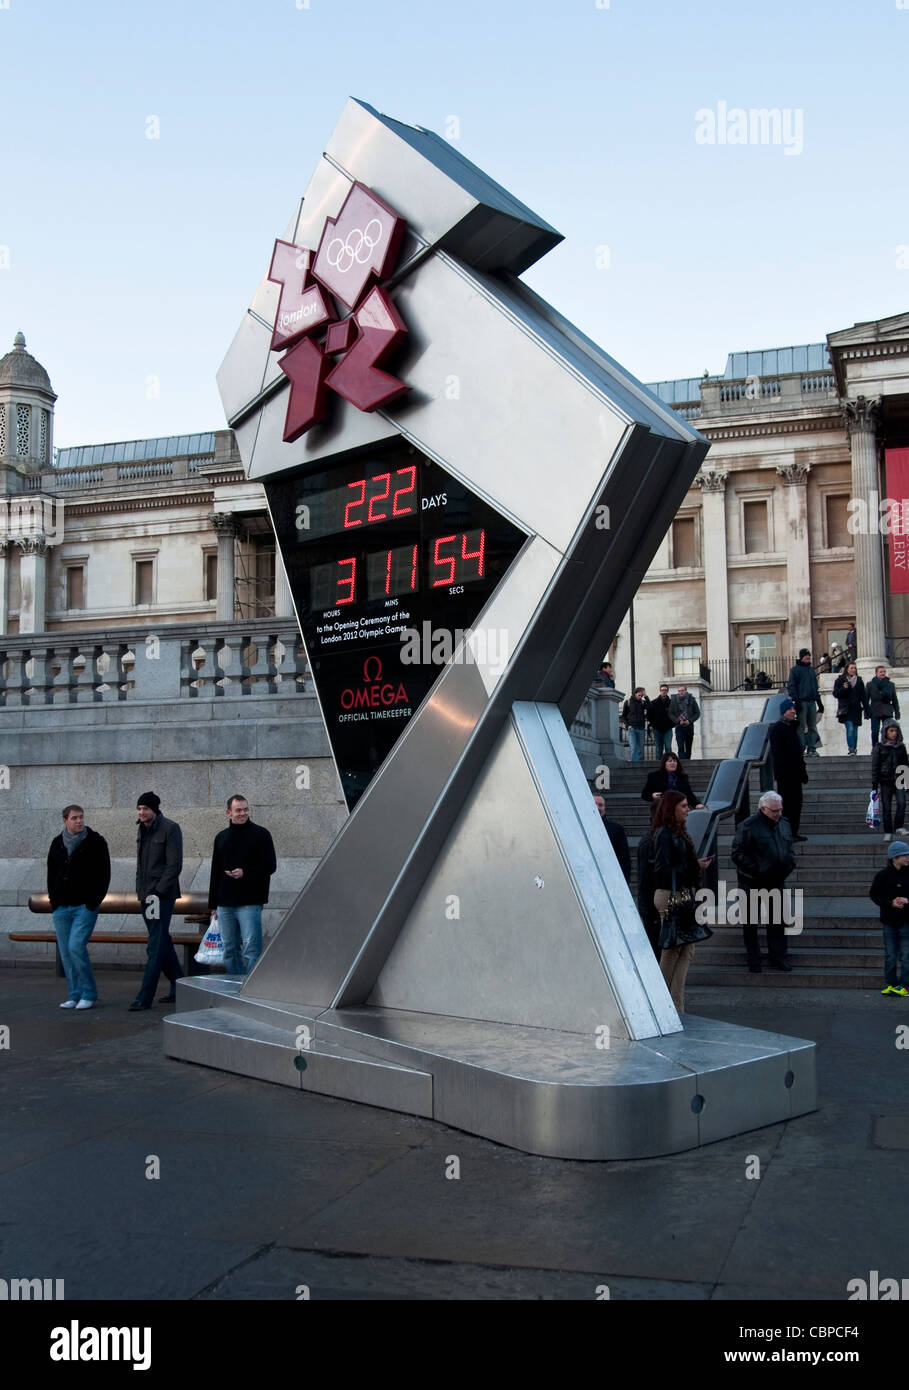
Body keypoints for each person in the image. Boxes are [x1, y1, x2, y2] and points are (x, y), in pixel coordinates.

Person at [651, 790, 712, 1011]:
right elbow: (663, 869)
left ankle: (676, 1004)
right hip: (671, 894)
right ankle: (662, 1002)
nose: (688, 809)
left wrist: (695, 865)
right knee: (673, 949)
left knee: (685, 950)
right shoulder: (665, 835)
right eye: (684, 806)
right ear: (672, 808)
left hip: (680, 893)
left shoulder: (676, 832)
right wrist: (695, 866)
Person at [47, 804, 111, 1011]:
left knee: (76, 946)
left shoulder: (95, 842)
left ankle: (89, 993)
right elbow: (51, 873)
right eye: (74, 818)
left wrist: (94, 900)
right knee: (66, 952)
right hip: (61, 906)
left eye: (81, 817)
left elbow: (104, 873)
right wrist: (54, 901)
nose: (79, 821)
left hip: (85, 905)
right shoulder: (57, 843)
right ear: (65, 820)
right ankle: (74, 994)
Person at [208, 795, 278, 975]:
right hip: (225, 902)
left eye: (245, 809)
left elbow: (270, 865)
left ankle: (249, 988)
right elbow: (215, 871)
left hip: (250, 901)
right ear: (228, 812)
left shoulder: (261, 834)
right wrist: (213, 904)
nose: (243, 813)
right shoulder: (221, 837)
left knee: (251, 948)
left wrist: (245, 872)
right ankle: (234, 986)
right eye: (238, 810)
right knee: (229, 949)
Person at [731, 791, 797, 973]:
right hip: (752, 881)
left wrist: (790, 863)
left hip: (776, 880)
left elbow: (788, 847)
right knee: (751, 923)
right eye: (774, 811)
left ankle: (778, 956)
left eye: (780, 810)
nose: (779, 814)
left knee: (778, 921)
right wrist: (757, 869)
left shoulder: (784, 824)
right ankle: (754, 959)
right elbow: (737, 854)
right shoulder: (748, 826)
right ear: (763, 809)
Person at [130, 792, 184, 1012]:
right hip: (145, 895)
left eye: (146, 809)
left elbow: (174, 865)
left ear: (155, 809)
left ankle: (144, 997)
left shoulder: (170, 828)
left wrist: (158, 892)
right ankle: (181, 986)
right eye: (139, 808)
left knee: (155, 945)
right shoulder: (142, 828)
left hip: (160, 897)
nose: (142, 813)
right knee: (161, 941)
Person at [868, 840, 909, 996]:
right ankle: (891, 983)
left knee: (906, 955)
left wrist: (907, 900)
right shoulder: (883, 875)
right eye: (903, 855)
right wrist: (890, 903)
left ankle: (905, 985)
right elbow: (874, 895)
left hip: (906, 921)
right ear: (894, 858)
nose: (907, 857)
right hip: (889, 921)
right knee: (890, 955)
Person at [769, 697, 809, 841]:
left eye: (793, 709)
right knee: (788, 804)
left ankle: (793, 831)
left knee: (796, 803)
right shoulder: (778, 729)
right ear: (783, 712)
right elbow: (779, 755)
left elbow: (798, 754)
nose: (793, 711)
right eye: (790, 709)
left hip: (795, 774)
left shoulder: (792, 728)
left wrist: (802, 772)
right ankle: (787, 833)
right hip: (786, 775)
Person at [871, 720, 908, 843]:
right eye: (891, 731)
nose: (894, 733)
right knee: (886, 807)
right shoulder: (879, 747)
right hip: (885, 780)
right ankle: (888, 831)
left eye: (896, 731)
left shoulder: (901, 747)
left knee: (902, 803)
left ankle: (899, 826)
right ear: (886, 732)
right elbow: (875, 766)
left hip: (899, 779)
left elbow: (905, 765)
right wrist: (874, 784)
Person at [787, 648, 824, 756]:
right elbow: (792, 686)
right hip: (802, 702)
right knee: (801, 727)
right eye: (806, 655)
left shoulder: (811, 670)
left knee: (812, 726)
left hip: (812, 702)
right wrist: (796, 700)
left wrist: (819, 702)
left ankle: (812, 748)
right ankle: (801, 748)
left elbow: (815, 688)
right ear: (802, 657)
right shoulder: (795, 670)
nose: (808, 657)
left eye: (809, 655)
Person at [592, 793, 631, 883]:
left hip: (611, 879)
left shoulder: (617, 829)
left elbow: (624, 859)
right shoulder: (580, 827)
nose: (597, 807)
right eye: (594, 804)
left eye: (600, 805)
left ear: (604, 808)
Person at [833, 662, 870, 755]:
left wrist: (867, 709)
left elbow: (863, 696)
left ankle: (854, 748)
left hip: (856, 709)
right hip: (846, 709)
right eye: (851, 668)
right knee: (850, 729)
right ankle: (851, 748)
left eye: (855, 668)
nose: (853, 670)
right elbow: (836, 694)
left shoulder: (859, 681)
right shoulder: (840, 680)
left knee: (855, 731)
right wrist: (843, 688)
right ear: (847, 669)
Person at [867, 666, 901, 748]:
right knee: (875, 731)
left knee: (886, 730)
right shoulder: (870, 684)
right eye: (881, 672)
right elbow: (866, 699)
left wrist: (897, 712)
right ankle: (874, 748)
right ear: (876, 673)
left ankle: (886, 746)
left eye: (884, 672)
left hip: (887, 710)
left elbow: (894, 700)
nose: (883, 673)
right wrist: (867, 712)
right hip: (875, 710)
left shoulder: (890, 684)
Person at [669, 685, 700, 760]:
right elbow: (670, 713)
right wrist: (678, 721)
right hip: (679, 727)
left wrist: (689, 721)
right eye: (679, 691)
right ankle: (682, 763)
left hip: (689, 726)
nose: (681, 692)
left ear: (686, 691)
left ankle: (688, 762)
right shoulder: (674, 700)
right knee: (680, 747)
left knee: (688, 747)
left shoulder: (691, 699)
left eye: (682, 690)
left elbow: (697, 713)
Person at [620, 687, 649, 762]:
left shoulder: (643, 702)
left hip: (641, 728)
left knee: (641, 748)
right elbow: (623, 716)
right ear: (635, 693)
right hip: (632, 728)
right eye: (639, 695)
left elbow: (650, 708)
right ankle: (634, 763)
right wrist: (628, 725)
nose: (640, 697)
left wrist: (646, 697)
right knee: (633, 747)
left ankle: (640, 763)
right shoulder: (628, 702)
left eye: (642, 695)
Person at [648, 683, 675, 757]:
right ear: (660, 691)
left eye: (665, 690)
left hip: (668, 728)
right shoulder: (653, 703)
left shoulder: (671, 703)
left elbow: (675, 714)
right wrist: (653, 724)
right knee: (658, 749)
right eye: (662, 690)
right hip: (657, 729)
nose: (664, 691)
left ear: (667, 691)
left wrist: (673, 724)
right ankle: (659, 766)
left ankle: (669, 762)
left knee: (668, 747)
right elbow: (649, 715)